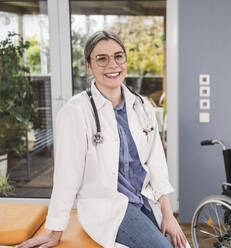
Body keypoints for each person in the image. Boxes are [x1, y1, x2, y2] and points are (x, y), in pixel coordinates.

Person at [17, 30, 189, 248]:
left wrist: (168, 214)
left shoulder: (142, 106)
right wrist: (55, 231)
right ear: (88, 65)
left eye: (118, 56)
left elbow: (156, 164)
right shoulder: (76, 111)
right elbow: (66, 176)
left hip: (143, 199)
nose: (112, 64)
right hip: (108, 207)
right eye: (102, 58)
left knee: (180, 244)